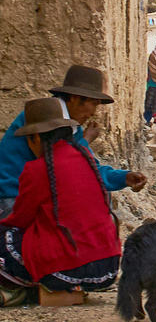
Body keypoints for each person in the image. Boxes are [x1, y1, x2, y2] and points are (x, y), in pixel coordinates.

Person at [0, 98, 121, 308]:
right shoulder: (86, 159)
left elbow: (20, 219)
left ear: (36, 137)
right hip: (107, 270)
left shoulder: (36, 169)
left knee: (5, 241)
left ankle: (30, 291)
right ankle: (60, 290)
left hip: (65, 272)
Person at [0, 66, 147, 218]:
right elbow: (65, 165)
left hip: (32, 195)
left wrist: (123, 177)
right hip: (11, 198)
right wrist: (86, 139)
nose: (94, 113)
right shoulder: (43, 119)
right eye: (94, 104)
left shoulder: (70, 125)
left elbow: (88, 168)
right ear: (75, 97)